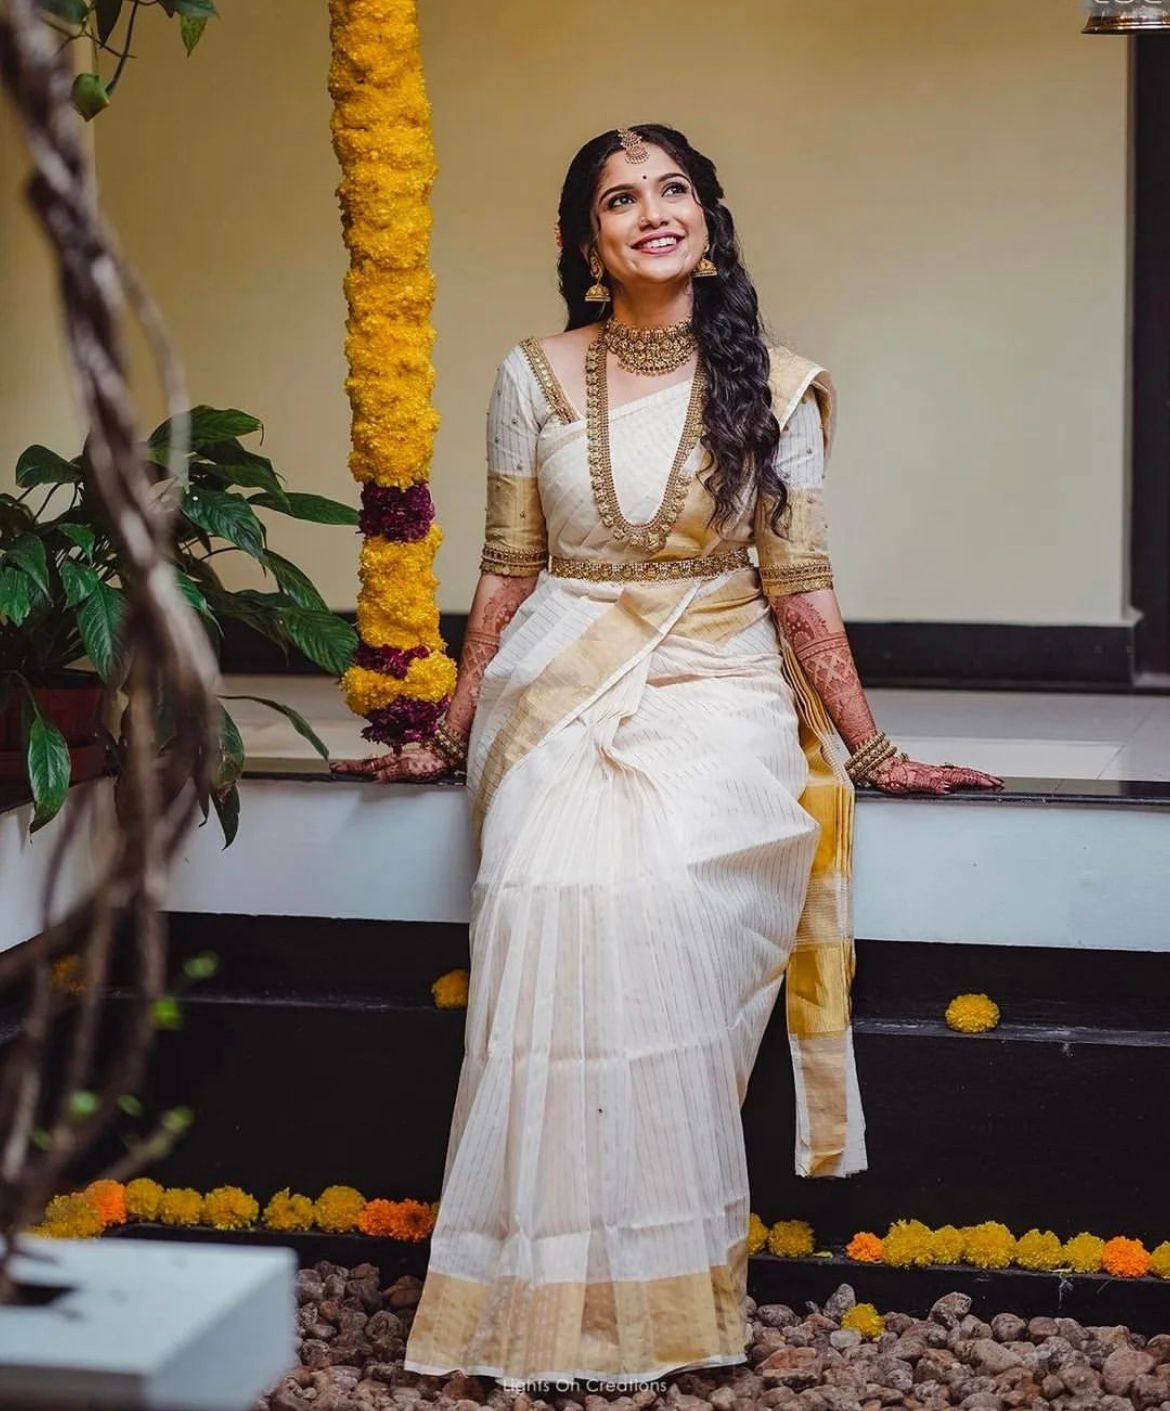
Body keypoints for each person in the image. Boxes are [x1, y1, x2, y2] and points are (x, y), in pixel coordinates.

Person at [331, 122, 1002, 1388]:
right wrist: (450, 723)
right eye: (620, 199)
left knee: (656, 899)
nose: (653, 212)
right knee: (545, 893)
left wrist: (876, 752)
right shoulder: (532, 374)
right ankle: (536, 1290)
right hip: (560, 676)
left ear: (709, 215)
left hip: (719, 675)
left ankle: (663, 1291)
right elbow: (505, 566)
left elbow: (798, 586)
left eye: (674, 189)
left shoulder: (781, 384)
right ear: (584, 244)